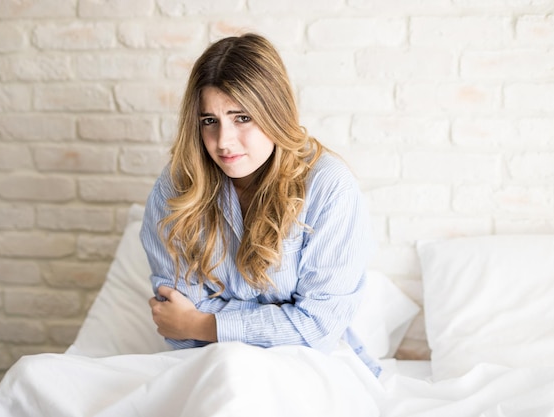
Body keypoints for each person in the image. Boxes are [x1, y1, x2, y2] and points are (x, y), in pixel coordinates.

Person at [140, 33, 380, 376]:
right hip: (211, 367)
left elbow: (316, 329)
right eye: (210, 121)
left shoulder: (328, 186)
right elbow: (177, 327)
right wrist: (278, 320)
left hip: (310, 369)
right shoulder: (177, 186)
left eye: (242, 118)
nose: (223, 142)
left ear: (274, 113)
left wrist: (202, 324)